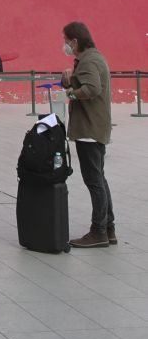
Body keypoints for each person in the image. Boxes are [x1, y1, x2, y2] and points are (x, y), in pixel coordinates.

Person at [61, 22, 115, 248]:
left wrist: (71, 93)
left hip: (89, 130)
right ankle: (108, 228)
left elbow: (92, 88)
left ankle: (98, 232)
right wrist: (70, 79)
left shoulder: (89, 60)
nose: (64, 45)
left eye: (65, 40)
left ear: (75, 41)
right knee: (99, 178)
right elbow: (87, 80)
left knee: (94, 181)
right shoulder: (95, 57)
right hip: (96, 127)